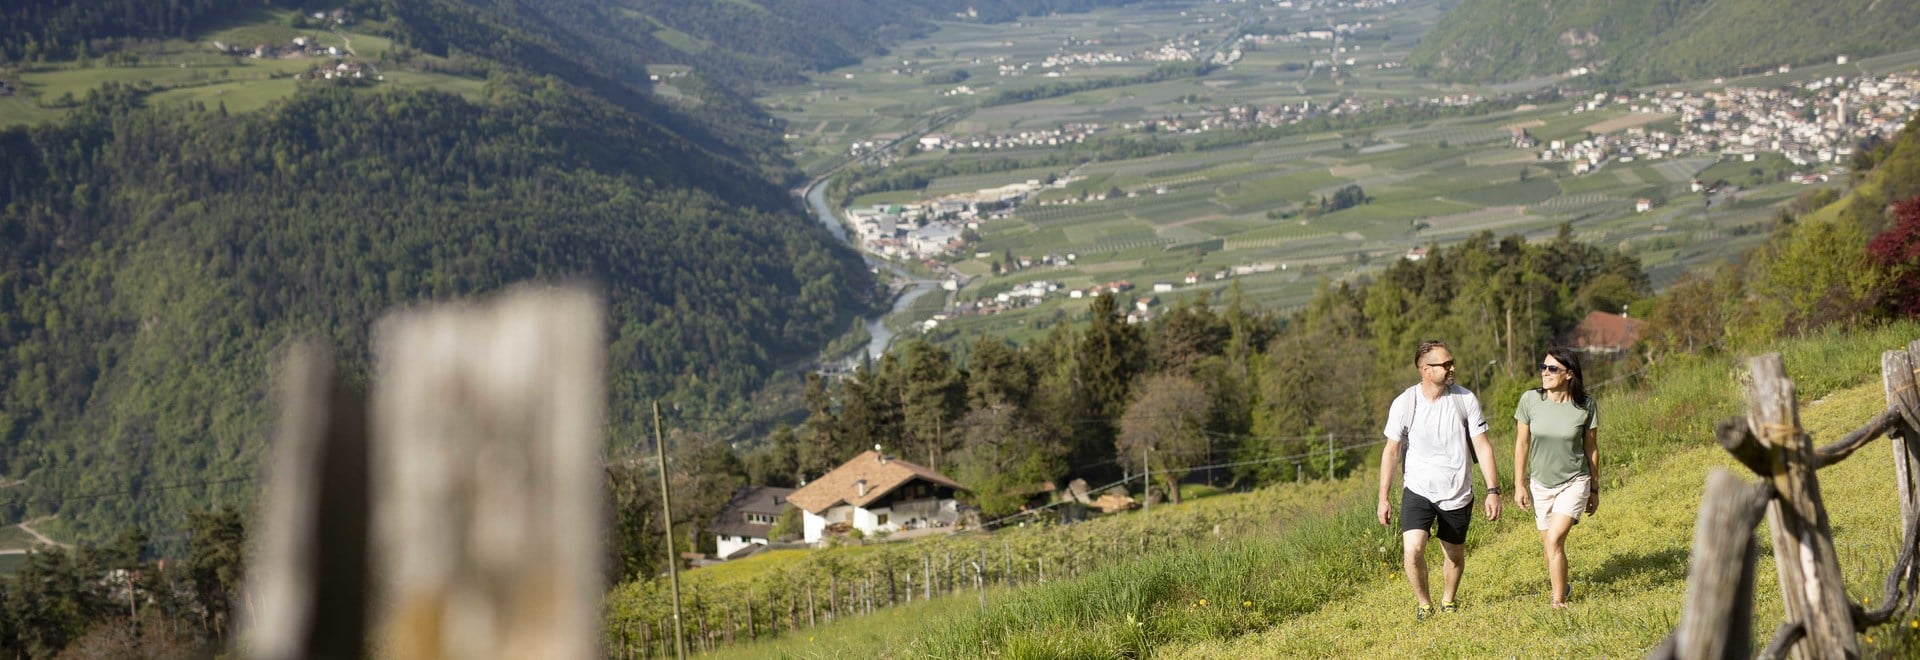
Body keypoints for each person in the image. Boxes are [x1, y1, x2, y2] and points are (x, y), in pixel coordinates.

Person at [1378, 339, 1502, 621]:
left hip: (1457, 491)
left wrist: (1493, 490)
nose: (1451, 368)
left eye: (1451, 362)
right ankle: (1424, 604)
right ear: (1425, 369)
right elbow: (1391, 450)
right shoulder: (1404, 403)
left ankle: (1448, 600)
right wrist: (1383, 497)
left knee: (1454, 555)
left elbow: (1482, 446)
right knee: (1413, 550)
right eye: (1445, 364)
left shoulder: (1464, 400)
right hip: (1418, 489)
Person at [1512, 347, 1599, 609]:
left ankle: (1557, 601)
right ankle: (1562, 585)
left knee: (1554, 539)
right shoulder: (1530, 400)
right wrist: (1519, 483)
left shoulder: (1585, 405)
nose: (1545, 373)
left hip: (1574, 480)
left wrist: (1594, 489)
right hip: (1540, 484)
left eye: (1552, 369)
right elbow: (1522, 444)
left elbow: (1591, 448)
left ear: (1569, 374)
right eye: (1543, 367)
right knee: (1549, 547)